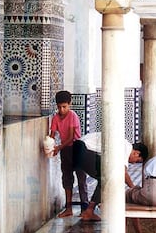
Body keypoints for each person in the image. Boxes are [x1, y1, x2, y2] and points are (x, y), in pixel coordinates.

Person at [73, 132, 149, 221]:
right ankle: (89, 211)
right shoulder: (126, 147)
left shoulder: (121, 143)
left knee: (106, 174)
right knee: (106, 177)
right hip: (83, 149)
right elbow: (122, 172)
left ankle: (87, 210)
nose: (133, 163)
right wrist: (133, 188)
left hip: (76, 148)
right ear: (136, 153)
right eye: (137, 161)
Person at [50, 90, 89, 218]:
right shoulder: (55, 118)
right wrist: (50, 146)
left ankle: (85, 208)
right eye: (59, 107)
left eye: (64, 107)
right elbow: (52, 135)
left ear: (70, 104)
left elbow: (71, 137)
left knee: (81, 178)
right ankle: (68, 208)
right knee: (67, 178)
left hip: (78, 149)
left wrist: (58, 147)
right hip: (65, 151)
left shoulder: (73, 116)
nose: (62, 110)